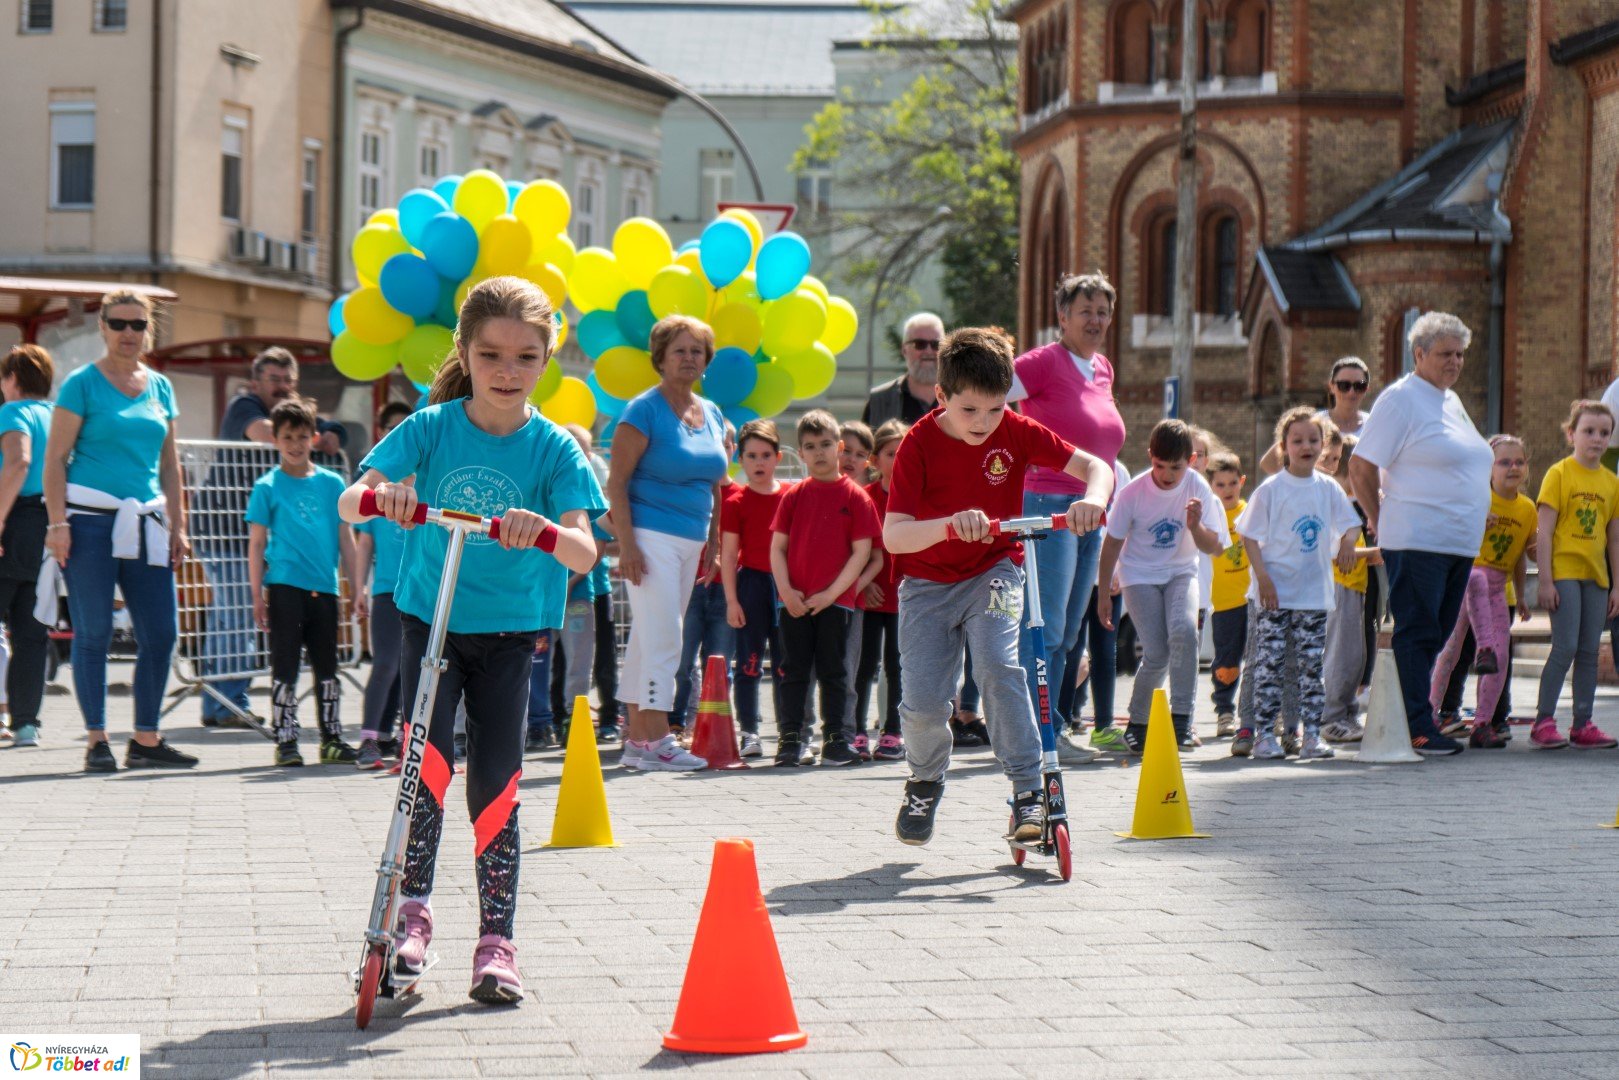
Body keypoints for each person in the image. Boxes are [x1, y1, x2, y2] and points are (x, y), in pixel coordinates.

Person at [339, 275, 603, 1005]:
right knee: (426, 771)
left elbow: (585, 551)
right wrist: (384, 496)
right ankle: (412, 915)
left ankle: (497, 943)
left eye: (525, 357)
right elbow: (351, 497)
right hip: (435, 621)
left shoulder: (553, 449)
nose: (507, 371)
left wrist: (545, 529)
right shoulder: (431, 426)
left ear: (548, 360)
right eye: (491, 355)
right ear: (464, 351)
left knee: (495, 783)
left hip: (511, 634)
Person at [882, 327, 1112, 847]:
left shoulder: (1016, 429)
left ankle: (1030, 791)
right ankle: (923, 780)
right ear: (941, 396)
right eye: (969, 411)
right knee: (922, 703)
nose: (984, 423)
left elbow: (1094, 466)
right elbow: (894, 537)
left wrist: (1092, 499)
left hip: (997, 569)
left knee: (999, 667)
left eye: (994, 409)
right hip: (926, 583)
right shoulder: (918, 444)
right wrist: (947, 524)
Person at [44, 290, 195, 773]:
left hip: (148, 521)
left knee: (161, 632)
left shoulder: (160, 387)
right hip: (88, 521)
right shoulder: (81, 384)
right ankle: (96, 740)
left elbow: (169, 464)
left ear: (148, 330)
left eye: (137, 324)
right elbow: (54, 460)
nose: (128, 332)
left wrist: (178, 525)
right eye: (118, 323)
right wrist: (57, 523)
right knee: (94, 631)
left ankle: (146, 738)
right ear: (102, 327)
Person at [1349, 311, 1493, 756]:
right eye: (1446, 353)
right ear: (1419, 353)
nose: (1455, 362)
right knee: (1418, 630)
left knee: (1439, 632)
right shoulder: (1401, 399)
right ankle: (1415, 726)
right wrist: (1379, 520)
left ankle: (1420, 716)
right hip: (1416, 539)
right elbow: (1360, 465)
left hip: (1456, 542)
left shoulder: (1450, 400)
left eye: (1461, 354)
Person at [1008, 272, 1128, 739]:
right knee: (1045, 627)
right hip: (1048, 505)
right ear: (1062, 316)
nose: (1096, 320)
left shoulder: (1103, 368)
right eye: (1086, 311)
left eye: (1103, 311)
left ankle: (1049, 730)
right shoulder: (1042, 363)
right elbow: (986, 402)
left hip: (1091, 512)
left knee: (1069, 632)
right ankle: (1025, 733)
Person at [607, 315, 729, 772]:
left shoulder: (714, 414)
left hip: (691, 539)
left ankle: (638, 743)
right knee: (666, 639)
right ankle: (659, 736)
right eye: (679, 350)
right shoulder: (643, 410)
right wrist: (628, 545)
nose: (689, 358)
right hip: (650, 535)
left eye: (697, 350)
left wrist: (714, 545)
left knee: (647, 638)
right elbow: (616, 484)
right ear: (659, 358)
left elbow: (716, 486)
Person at [1232, 409, 1361, 760]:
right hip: (1274, 594)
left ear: (1323, 446)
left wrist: (1348, 543)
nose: (1306, 446)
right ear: (1284, 446)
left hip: (1313, 594)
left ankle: (1311, 735)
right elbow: (1250, 537)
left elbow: (1350, 523)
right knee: (1270, 664)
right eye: (1298, 440)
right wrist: (1263, 579)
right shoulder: (1272, 489)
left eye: (1313, 440)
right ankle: (1263, 735)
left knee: (1310, 666)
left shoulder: (1328, 488)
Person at [247, 398, 364, 767]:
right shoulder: (267, 486)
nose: (295, 445)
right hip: (284, 587)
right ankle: (285, 740)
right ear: (275, 440)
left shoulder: (332, 484)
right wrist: (256, 595)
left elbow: (347, 539)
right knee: (285, 666)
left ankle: (331, 737)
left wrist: (355, 587)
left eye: (301, 436)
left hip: (325, 588)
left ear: (313, 437)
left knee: (327, 666)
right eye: (287, 437)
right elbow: (257, 543)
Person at [1097, 420, 1228, 750]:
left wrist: (1195, 527)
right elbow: (1111, 544)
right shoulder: (1133, 493)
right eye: (1159, 465)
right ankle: (1138, 721)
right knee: (1156, 653)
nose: (1167, 475)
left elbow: (1215, 547)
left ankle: (1181, 719)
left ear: (1193, 460)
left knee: (1185, 631)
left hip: (1181, 571)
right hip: (1139, 574)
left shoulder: (1197, 487)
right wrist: (1102, 593)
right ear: (1149, 456)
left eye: (1176, 468)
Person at [770, 410, 880, 767]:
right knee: (794, 671)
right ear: (800, 454)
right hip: (795, 603)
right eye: (810, 446)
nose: (819, 453)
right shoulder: (793, 496)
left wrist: (831, 594)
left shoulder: (857, 498)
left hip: (837, 603)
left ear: (840, 447)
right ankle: (791, 740)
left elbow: (862, 553)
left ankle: (836, 741)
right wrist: (786, 592)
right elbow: (778, 548)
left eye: (826, 444)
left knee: (836, 673)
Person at [1428, 434, 1534, 750]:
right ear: (1488, 469)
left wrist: (1523, 594)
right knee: (1450, 650)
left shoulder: (1527, 509)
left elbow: (1519, 557)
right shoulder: (1475, 498)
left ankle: (1483, 725)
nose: (1512, 467)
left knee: (1500, 657)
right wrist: (1475, 521)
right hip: (1465, 583)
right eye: (1504, 462)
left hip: (1498, 588)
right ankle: (1429, 715)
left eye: (1519, 462)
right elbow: (1447, 535)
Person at [1531, 401, 1619, 750]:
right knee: (1564, 647)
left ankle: (1582, 723)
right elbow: (1545, 532)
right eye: (1588, 431)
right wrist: (1546, 580)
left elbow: (1614, 537)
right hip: (1564, 573)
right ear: (1572, 434)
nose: (1596, 439)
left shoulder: (1612, 483)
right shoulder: (1559, 473)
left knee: (1588, 651)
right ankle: (1543, 721)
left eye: (1604, 432)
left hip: (1596, 578)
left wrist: (1616, 587)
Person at [721, 419, 788, 760]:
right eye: (751, 456)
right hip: (752, 585)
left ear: (777, 457)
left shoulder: (792, 495)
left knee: (784, 664)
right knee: (748, 663)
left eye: (765, 455)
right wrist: (732, 600)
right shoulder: (736, 501)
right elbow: (730, 554)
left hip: (786, 586)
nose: (759, 462)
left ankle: (790, 731)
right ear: (741, 460)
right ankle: (749, 730)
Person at [0, 346, 54, 748]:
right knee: (31, 631)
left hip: (13, 519)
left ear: (13, 379)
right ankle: (25, 724)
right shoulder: (57, 417)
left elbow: (18, 462)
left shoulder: (12, 412)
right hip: (49, 527)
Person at [354, 401, 413, 769]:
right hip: (387, 592)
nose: (399, 436)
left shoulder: (427, 486)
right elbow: (364, 543)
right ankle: (369, 741)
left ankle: (411, 742)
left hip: (420, 593)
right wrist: (359, 587)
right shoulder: (376, 490)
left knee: (419, 668)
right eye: (392, 429)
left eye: (405, 429)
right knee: (386, 663)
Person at [670, 423, 738, 737]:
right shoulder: (689, 492)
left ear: (733, 449)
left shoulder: (740, 494)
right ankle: (675, 721)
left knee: (720, 663)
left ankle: (715, 726)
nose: (721, 450)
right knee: (682, 662)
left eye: (726, 444)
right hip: (692, 585)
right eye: (714, 443)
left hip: (727, 589)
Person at [853, 419, 906, 762]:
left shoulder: (918, 497)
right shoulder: (864, 498)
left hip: (905, 596)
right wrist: (865, 583)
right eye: (891, 453)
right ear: (874, 460)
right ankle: (856, 730)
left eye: (905, 453)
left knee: (898, 665)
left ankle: (893, 732)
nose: (898, 459)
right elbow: (852, 547)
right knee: (864, 664)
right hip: (870, 596)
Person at [1320, 435, 1379, 744]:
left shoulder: (1349, 503)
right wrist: (1375, 554)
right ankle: (1330, 715)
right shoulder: (1331, 501)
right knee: (1341, 655)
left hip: (1354, 585)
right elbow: (1333, 551)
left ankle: (1346, 711)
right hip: (1339, 585)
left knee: (1355, 655)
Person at [1069, 459, 1131, 747]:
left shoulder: (1120, 472)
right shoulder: (1072, 463)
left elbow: (1127, 524)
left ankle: (1104, 725)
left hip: (1108, 578)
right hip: (1075, 575)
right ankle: (1064, 719)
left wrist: (1118, 569)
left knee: (1106, 651)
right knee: (1069, 647)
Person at [1259, 356, 1373, 474]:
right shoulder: (1315, 422)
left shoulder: (1374, 425)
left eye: (1359, 386)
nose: (1351, 392)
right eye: (1344, 385)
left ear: (1367, 389)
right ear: (1332, 387)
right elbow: (1268, 463)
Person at [1206, 452, 1250, 739]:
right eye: (1220, 485)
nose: (1227, 490)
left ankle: (1261, 711)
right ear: (1211, 486)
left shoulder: (1251, 511)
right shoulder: (1209, 516)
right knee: (1227, 660)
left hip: (1252, 598)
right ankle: (1224, 710)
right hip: (1223, 601)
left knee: (1260, 658)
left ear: (1241, 482)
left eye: (1232, 483)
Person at [862, 313, 944, 428]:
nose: (928, 351)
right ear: (904, 350)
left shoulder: (960, 398)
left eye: (936, 344)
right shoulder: (880, 401)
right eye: (920, 344)